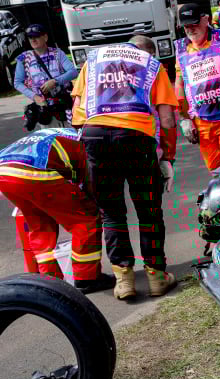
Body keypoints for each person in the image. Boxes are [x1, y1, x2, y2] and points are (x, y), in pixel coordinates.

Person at [71, 34, 179, 300]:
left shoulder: (92, 60)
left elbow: (76, 115)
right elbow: (166, 120)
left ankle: (124, 280)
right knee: (148, 210)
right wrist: (166, 156)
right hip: (136, 140)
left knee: (111, 211)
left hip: (96, 138)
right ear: (149, 52)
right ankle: (156, 277)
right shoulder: (152, 65)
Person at [0, 128, 114, 293]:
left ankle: (50, 282)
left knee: (40, 226)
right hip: (35, 169)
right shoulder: (88, 145)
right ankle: (87, 278)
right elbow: (90, 182)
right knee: (85, 219)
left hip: (5, 174)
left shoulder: (63, 133)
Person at [175, 4, 220, 171]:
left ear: (206, 19)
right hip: (202, 121)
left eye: (194, 24)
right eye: (186, 26)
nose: (191, 29)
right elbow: (180, 83)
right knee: (216, 173)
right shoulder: (182, 48)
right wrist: (184, 118)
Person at [14, 24, 78, 129]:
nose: (33, 40)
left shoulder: (58, 53)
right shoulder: (23, 58)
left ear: (45, 37)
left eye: (36, 36)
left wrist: (55, 81)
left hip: (64, 105)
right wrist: (34, 97)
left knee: (72, 138)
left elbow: (73, 72)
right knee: (51, 142)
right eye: (30, 37)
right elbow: (17, 82)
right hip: (44, 108)